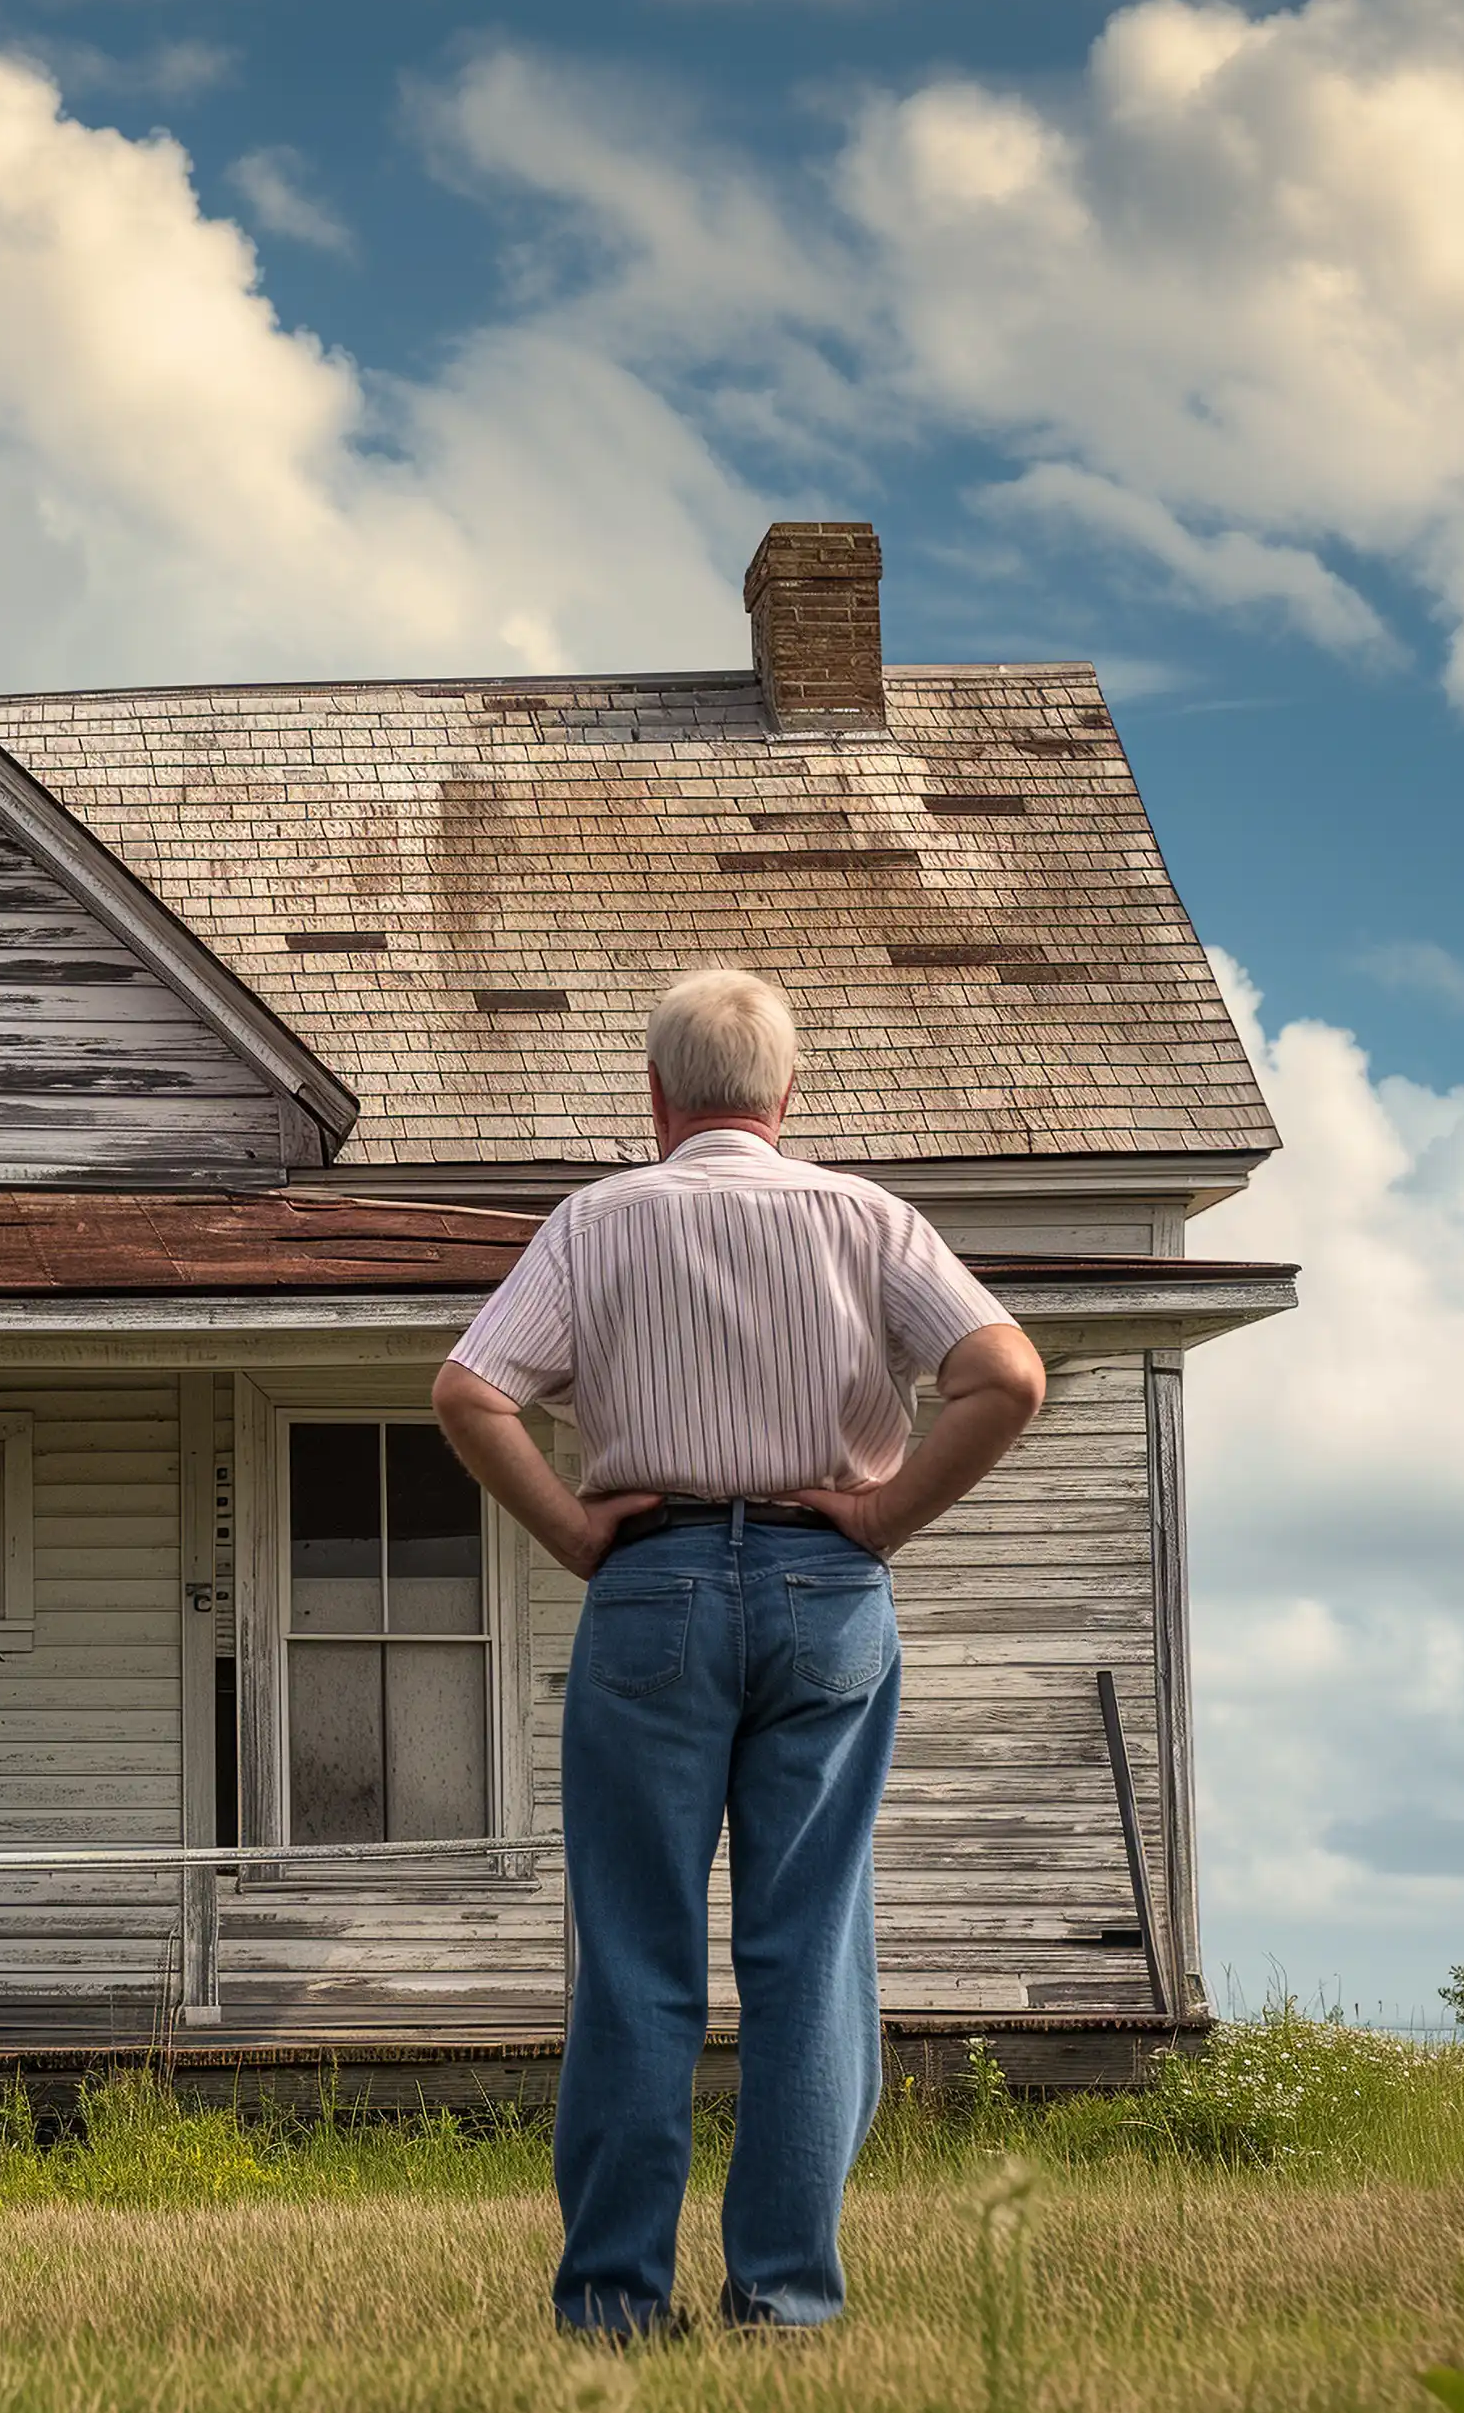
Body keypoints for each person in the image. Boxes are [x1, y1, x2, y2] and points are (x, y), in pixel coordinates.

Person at [431, 966, 1045, 2338]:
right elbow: (1004, 1377)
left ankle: (611, 2302)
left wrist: (574, 1535)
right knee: (806, 1949)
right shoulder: (863, 1215)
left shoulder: (594, 1223)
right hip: (825, 1588)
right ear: (784, 1096)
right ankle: (782, 2297)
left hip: (649, 1592)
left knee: (636, 1955)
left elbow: (469, 1391)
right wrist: (882, 1511)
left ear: (656, 1095)